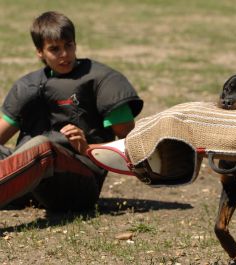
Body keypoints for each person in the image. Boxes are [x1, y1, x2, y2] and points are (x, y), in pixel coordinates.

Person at [0, 11, 143, 211]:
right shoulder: (28, 85)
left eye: (69, 45)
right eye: (54, 49)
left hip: (78, 186)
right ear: (39, 52)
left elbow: (133, 148)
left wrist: (86, 149)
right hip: (27, 184)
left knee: (44, 147)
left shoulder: (104, 81)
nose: (64, 54)